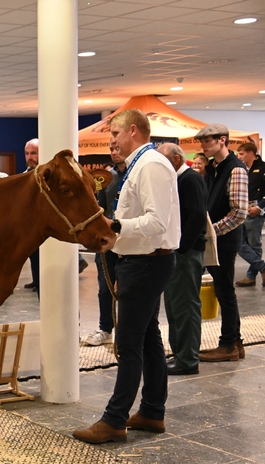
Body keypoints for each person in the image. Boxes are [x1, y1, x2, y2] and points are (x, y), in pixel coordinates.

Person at [73, 109, 179, 444]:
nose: (112, 142)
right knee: (148, 340)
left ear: (133, 130)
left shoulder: (150, 166)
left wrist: (115, 226)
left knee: (129, 344)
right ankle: (151, 411)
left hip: (148, 263)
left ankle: (114, 419)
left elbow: (156, 222)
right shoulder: (141, 165)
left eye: (115, 135)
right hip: (140, 261)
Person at [195, 124, 248, 363]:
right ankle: (234, 342)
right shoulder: (215, 168)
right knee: (224, 290)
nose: (203, 145)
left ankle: (228, 344)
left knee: (225, 292)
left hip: (223, 241)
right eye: (202, 141)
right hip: (216, 239)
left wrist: (212, 232)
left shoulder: (235, 169)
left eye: (208, 141)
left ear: (222, 140)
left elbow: (239, 213)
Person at [157, 143, 208, 375]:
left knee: (185, 306)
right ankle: (179, 353)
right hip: (178, 252)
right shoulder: (178, 179)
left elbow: (197, 216)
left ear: (176, 159)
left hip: (186, 253)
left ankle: (187, 359)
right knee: (175, 306)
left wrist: (182, 248)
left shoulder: (190, 179)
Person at [83, 141, 124, 346]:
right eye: (112, 150)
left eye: (118, 149)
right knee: (104, 286)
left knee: (127, 287)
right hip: (109, 239)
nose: (115, 153)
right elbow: (100, 207)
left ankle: (126, 331)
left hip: (131, 238)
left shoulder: (136, 174)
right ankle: (105, 328)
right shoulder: (108, 177)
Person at [234, 142, 265, 287]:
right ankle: (262, 267)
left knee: (254, 244)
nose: (239, 156)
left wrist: (260, 207)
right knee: (239, 243)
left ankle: (251, 276)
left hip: (255, 211)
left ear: (251, 153)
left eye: (241, 154)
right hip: (242, 210)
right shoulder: (241, 169)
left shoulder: (263, 168)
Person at [23, 139, 41, 291]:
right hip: (29, 229)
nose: (30, 157)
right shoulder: (24, 176)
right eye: (27, 154)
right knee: (34, 258)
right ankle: (36, 281)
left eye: (33, 153)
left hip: (46, 230)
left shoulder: (48, 176)